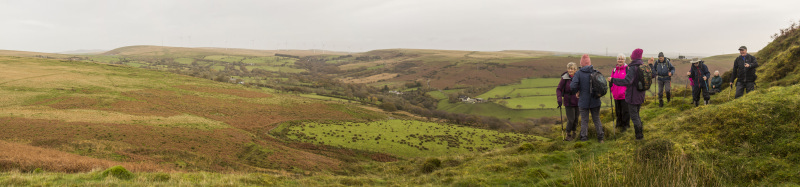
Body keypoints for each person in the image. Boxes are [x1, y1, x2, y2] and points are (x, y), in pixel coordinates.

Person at [608, 48, 650, 140]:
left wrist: (613, 80)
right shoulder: (642, 66)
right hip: (640, 95)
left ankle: (639, 137)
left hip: (632, 96)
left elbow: (627, 81)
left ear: (634, 56)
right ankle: (640, 132)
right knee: (637, 114)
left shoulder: (632, 67)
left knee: (634, 116)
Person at [569, 54, 604, 143]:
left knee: (584, 120)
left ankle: (584, 138)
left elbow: (572, 86)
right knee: (596, 119)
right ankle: (601, 138)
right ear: (589, 63)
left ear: (581, 63)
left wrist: (577, 91)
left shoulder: (578, 73)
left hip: (583, 101)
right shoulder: (596, 72)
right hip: (595, 100)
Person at [557, 62, 580, 141]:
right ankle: (568, 134)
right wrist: (559, 98)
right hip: (568, 101)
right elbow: (559, 89)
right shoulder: (564, 78)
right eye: (569, 69)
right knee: (571, 119)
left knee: (576, 118)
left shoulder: (578, 77)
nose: (570, 70)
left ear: (575, 70)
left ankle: (574, 132)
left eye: (572, 69)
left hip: (578, 100)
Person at [610, 54, 630, 133]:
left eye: (621, 59)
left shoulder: (627, 69)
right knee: (618, 111)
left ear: (624, 60)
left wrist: (626, 91)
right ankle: (619, 124)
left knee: (625, 111)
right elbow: (611, 80)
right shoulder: (614, 70)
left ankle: (626, 126)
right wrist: (612, 89)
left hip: (624, 95)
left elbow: (629, 81)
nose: (620, 60)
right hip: (616, 95)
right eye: (619, 59)